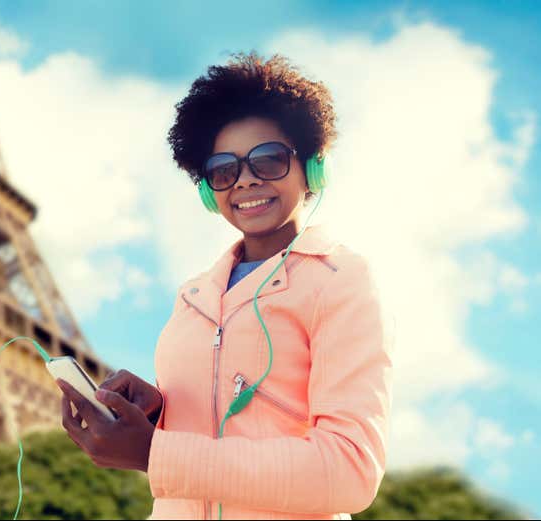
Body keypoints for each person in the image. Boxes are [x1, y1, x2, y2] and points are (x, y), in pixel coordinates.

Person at [56, 51, 394, 520]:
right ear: (207, 190)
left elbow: (349, 469)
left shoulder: (342, 281)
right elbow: (215, 426)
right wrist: (157, 412)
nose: (246, 181)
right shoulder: (192, 297)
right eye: (223, 169)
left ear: (313, 168)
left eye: (269, 159)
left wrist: (155, 453)